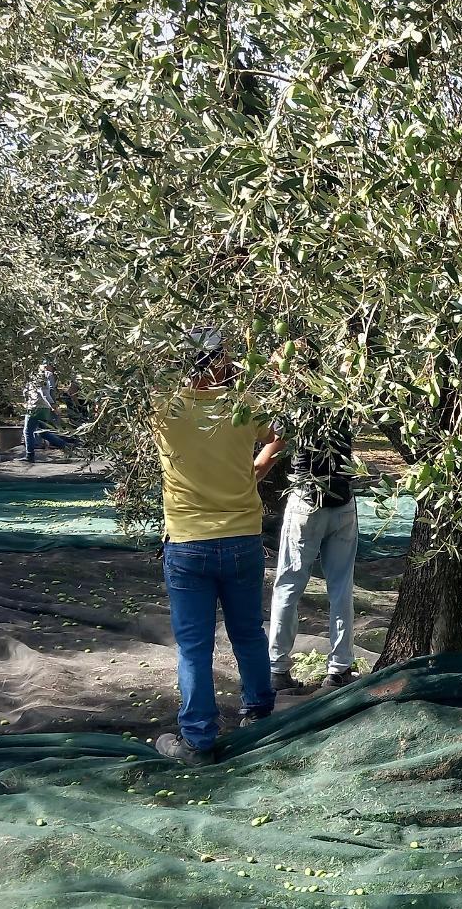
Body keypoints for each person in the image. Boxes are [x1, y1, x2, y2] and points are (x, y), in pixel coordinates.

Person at [151, 328, 277, 766]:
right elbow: (280, 433)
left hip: (188, 544)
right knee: (247, 632)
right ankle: (260, 713)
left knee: (194, 646)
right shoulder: (244, 405)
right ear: (224, 362)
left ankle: (198, 739)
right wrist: (256, 468)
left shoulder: (163, 407)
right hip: (242, 538)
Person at [257, 402, 359, 694]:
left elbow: (272, 446)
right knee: (341, 588)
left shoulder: (292, 405)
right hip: (342, 503)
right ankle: (339, 669)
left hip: (306, 502)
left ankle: (277, 668)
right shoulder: (341, 399)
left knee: (288, 585)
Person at [17, 365, 58, 463]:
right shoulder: (38, 378)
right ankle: (65, 445)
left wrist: (53, 406)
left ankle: (29, 455)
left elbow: (44, 394)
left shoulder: (40, 378)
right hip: (40, 408)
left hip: (36, 408)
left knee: (27, 432)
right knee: (42, 432)